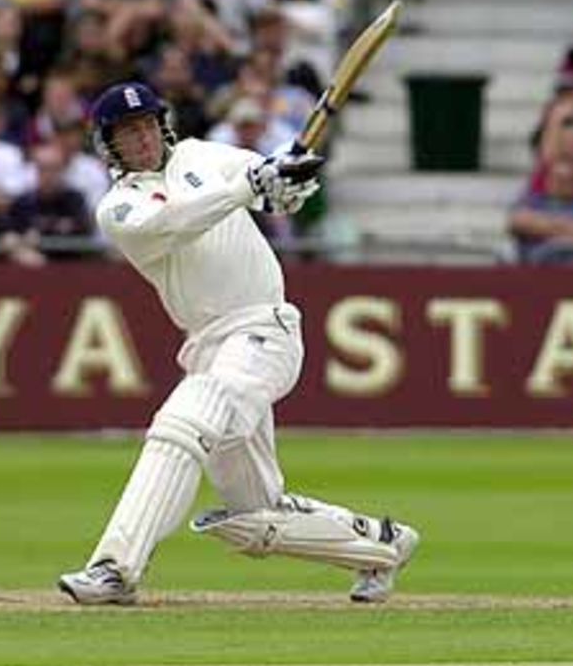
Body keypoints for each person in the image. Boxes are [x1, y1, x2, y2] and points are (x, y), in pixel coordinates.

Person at [58, 82, 419, 606]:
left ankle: (114, 569)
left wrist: (287, 185)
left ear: (162, 125)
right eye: (126, 133)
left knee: (186, 417)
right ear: (108, 145)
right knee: (253, 515)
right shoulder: (117, 208)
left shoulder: (204, 155)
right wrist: (250, 185)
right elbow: (175, 221)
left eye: (146, 127)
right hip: (207, 345)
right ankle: (382, 546)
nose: (141, 140)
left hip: (263, 329)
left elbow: (272, 182)